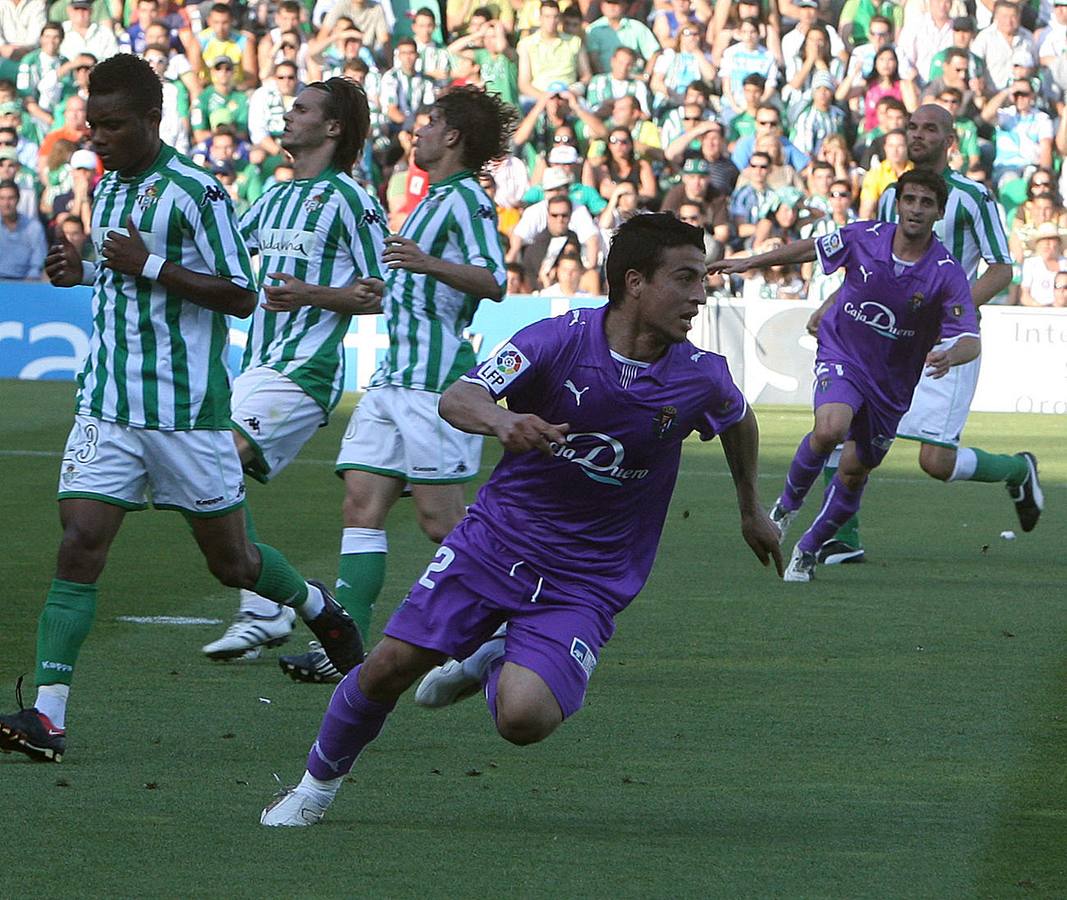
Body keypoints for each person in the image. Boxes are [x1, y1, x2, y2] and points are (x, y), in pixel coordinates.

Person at [259, 212, 784, 826]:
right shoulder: (555, 341)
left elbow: (738, 420)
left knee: (524, 720)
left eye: (702, 280)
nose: (699, 296)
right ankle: (314, 788)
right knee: (388, 669)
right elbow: (460, 396)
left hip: (590, 578)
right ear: (635, 282)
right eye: (686, 278)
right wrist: (504, 421)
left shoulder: (699, 375)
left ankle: (496, 650)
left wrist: (752, 510)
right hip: (496, 543)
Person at [0, 54, 364, 764]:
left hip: (187, 417)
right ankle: (47, 717)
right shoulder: (107, 189)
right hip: (107, 405)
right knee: (78, 543)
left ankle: (319, 609)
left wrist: (150, 266)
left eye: (114, 124)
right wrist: (85, 271)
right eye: (93, 124)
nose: (99, 137)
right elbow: (119, 273)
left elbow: (240, 293)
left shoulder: (198, 193)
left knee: (232, 563)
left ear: (153, 119)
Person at [277, 85, 519, 684]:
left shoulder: (467, 201)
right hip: (392, 381)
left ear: (453, 137)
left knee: (442, 522)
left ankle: (508, 623)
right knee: (361, 503)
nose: (419, 133)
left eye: (429, 123)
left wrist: (426, 262)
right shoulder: (432, 199)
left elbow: (493, 280)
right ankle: (346, 650)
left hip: (435, 388)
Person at [712, 170, 981, 582]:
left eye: (926, 203)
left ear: (939, 212)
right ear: (898, 201)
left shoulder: (945, 272)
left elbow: (970, 339)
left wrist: (949, 355)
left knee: (855, 471)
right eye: (910, 199)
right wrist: (751, 261)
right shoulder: (866, 236)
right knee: (830, 429)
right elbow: (810, 250)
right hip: (843, 353)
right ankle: (784, 508)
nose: (916, 209)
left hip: (891, 383)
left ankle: (809, 548)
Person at [201, 78, 390, 661]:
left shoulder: (352, 201)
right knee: (207, 474)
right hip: (256, 365)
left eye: (302, 108)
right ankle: (267, 606)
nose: (290, 114)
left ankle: (277, 604)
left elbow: (381, 291)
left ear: (332, 128)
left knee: (216, 461)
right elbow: (220, 254)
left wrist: (311, 293)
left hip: (305, 371)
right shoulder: (274, 197)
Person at [807, 104, 1041, 565]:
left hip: (946, 343)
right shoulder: (899, 195)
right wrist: (832, 304)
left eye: (929, 128)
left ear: (950, 139)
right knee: (845, 422)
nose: (918, 135)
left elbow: (1001, 269)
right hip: (888, 337)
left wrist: (950, 312)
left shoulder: (973, 196)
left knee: (935, 462)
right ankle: (843, 535)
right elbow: (874, 262)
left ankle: (1018, 470)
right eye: (912, 127)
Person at [0, 179, 46, 279]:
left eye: (10, 198)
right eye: (2, 198)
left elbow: (37, 265)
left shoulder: (34, 228)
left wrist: (26, 285)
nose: (6, 204)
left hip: (24, 283)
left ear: (18, 199)